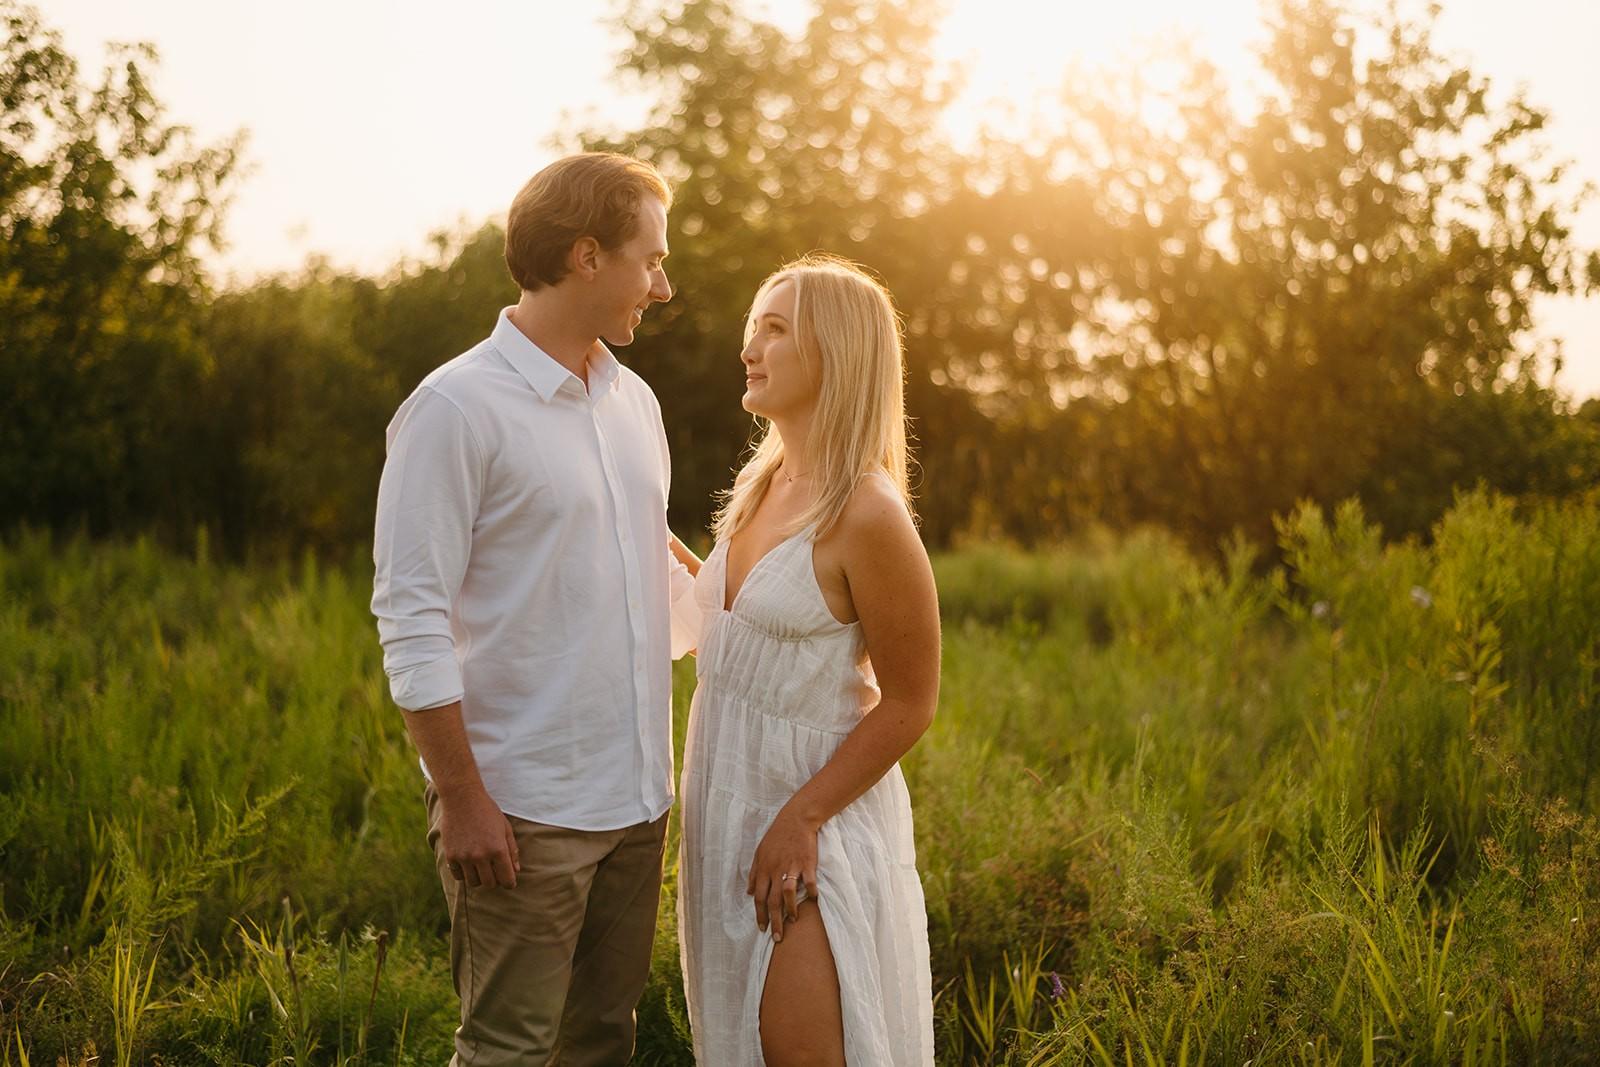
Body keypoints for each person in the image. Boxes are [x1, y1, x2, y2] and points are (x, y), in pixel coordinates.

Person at [370, 152, 700, 1065]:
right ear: (587, 256)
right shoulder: (453, 409)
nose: (663, 286)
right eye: (651, 259)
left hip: (638, 801)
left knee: (601, 1042)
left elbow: (648, 567)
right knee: (508, 1050)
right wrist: (463, 797)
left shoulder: (636, 403)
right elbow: (411, 615)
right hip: (521, 812)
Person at [674, 254, 941, 1065]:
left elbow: (910, 701)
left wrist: (802, 818)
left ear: (838, 352)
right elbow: (738, 629)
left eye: (777, 329)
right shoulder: (763, 481)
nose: (750, 347)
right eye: (755, 326)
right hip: (726, 805)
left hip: (812, 822)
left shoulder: (867, 510)